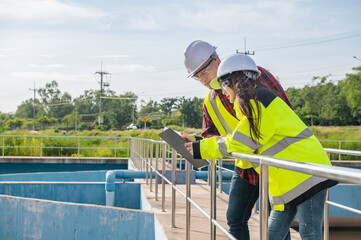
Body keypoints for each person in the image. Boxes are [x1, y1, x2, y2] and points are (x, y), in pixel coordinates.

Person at [185, 53, 338, 240]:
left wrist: (201, 149)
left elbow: (242, 141)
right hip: (284, 183)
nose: (222, 91)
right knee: (273, 235)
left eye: (224, 85)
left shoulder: (259, 101)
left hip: (307, 176)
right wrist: (200, 144)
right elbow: (237, 136)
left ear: (236, 82)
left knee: (309, 233)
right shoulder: (249, 105)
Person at [182, 40, 293, 240]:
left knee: (275, 225)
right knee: (235, 219)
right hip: (245, 168)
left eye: (204, 72)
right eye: (196, 76)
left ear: (216, 61)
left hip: (272, 165)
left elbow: (284, 114)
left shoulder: (253, 74)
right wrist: (195, 141)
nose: (202, 79)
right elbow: (211, 135)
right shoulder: (210, 102)